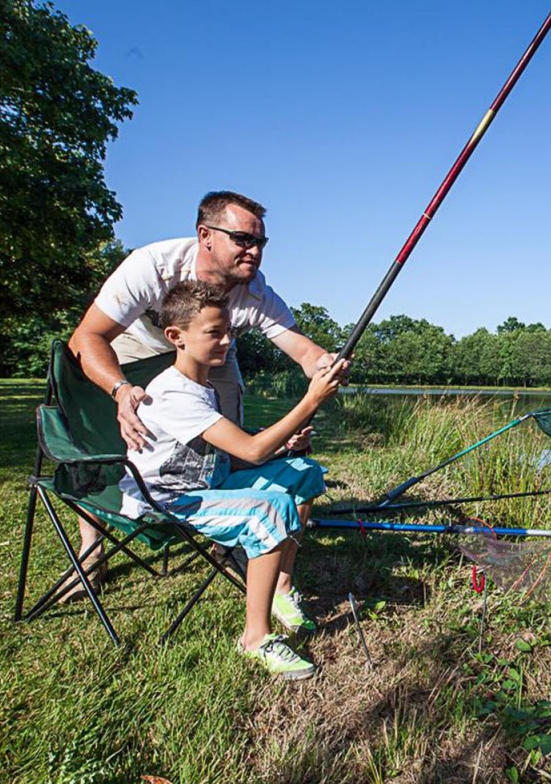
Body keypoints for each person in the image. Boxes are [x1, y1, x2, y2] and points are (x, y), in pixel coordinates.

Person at [63, 190, 346, 600]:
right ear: (206, 235)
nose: (254, 251)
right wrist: (120, 389)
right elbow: (86, 337)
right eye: (243, 240)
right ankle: (92, 550)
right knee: (105, 435)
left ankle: (225, 536)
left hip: (211, 349)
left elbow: (302, 349)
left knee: (227, 439)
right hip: (133, 344)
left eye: (260, 243)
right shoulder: (152, 266)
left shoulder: (256, 293)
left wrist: (325, 363)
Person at [120, 280, 346, 679]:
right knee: (269, 508)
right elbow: (250, 451)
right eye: (213, 333)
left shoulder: (203, 385)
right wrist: (310, 400)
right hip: (169, 499)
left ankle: (281, 588)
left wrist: (284, 445)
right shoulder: (174, 393)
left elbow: (235, 453)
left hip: (208, 483)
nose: (226, 341)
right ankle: (255, 638)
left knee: (304, 472)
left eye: (228, 332)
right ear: (176, 337)